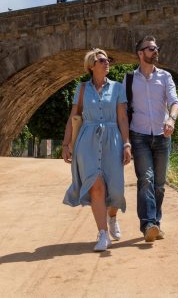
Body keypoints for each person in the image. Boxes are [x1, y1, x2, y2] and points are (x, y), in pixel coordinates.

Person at [62, 48, 132, 252]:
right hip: (87, 142)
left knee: (116, 190)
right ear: (91, 65)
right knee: (96, 186)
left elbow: (122, 118)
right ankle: (102, 234)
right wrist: (66, 144)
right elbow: (73, 116)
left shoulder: (118, 88)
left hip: (113, 139)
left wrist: (127, 144)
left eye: (108, 60)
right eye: (102, 60)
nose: (106, 63)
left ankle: (112, 216)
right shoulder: (82, 88)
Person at [123, 36, 178, 242]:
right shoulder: (129, 79)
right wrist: (126, 141)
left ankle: (156, 222)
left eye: (156, 48)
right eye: (150, 48)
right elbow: (122, 109)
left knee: (159, 184)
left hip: (162, 136)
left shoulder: (165, 77)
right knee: (145, 180)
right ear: (140, 53)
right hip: (139, 135)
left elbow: (175, 101)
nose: (155, 51)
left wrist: (171, 119)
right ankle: (148, 224)